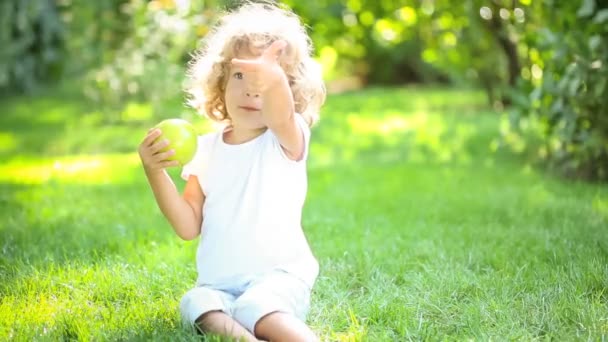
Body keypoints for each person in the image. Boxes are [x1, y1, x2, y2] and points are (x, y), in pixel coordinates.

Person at [137, 1, 326, 341]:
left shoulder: (286, 137)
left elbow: (280, 114)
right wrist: (154, 171)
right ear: (221, 83)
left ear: (289, 89)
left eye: (268, 78)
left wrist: (273, 84)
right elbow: (187, 225)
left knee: (256, 307)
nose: (253, 88)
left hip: (278, 278)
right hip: (220, 284)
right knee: (196, 303)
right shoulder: (205, 150)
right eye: (241, 75)